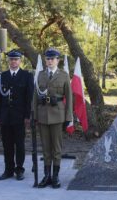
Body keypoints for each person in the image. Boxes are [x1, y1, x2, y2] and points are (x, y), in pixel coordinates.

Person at [33, 48, 73, 188]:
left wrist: (68, 116)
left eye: (52, 58)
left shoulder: (64, 75)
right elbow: (35, 97)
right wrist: (34, 115)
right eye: (48, 58)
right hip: (43, 115)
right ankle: (47, 176)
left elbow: (69, 97)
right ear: (45, 60)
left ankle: (55, 177)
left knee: (56, 148)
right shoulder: (40, 75)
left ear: (58, 60)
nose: (50, 61)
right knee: (45, 148)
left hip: (58, 115)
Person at [0, 49, 34, 181]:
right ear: (8, 61)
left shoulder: (27, 76)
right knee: (7, 145)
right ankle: (8, 170)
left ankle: (19, 169)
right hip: (5, 116)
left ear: (20, 61)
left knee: (20, 144)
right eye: (11, 59)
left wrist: (27, 116)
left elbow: (29, 98)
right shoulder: (2, 76)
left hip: (20, 116)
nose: (13, 61)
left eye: (16, 59)